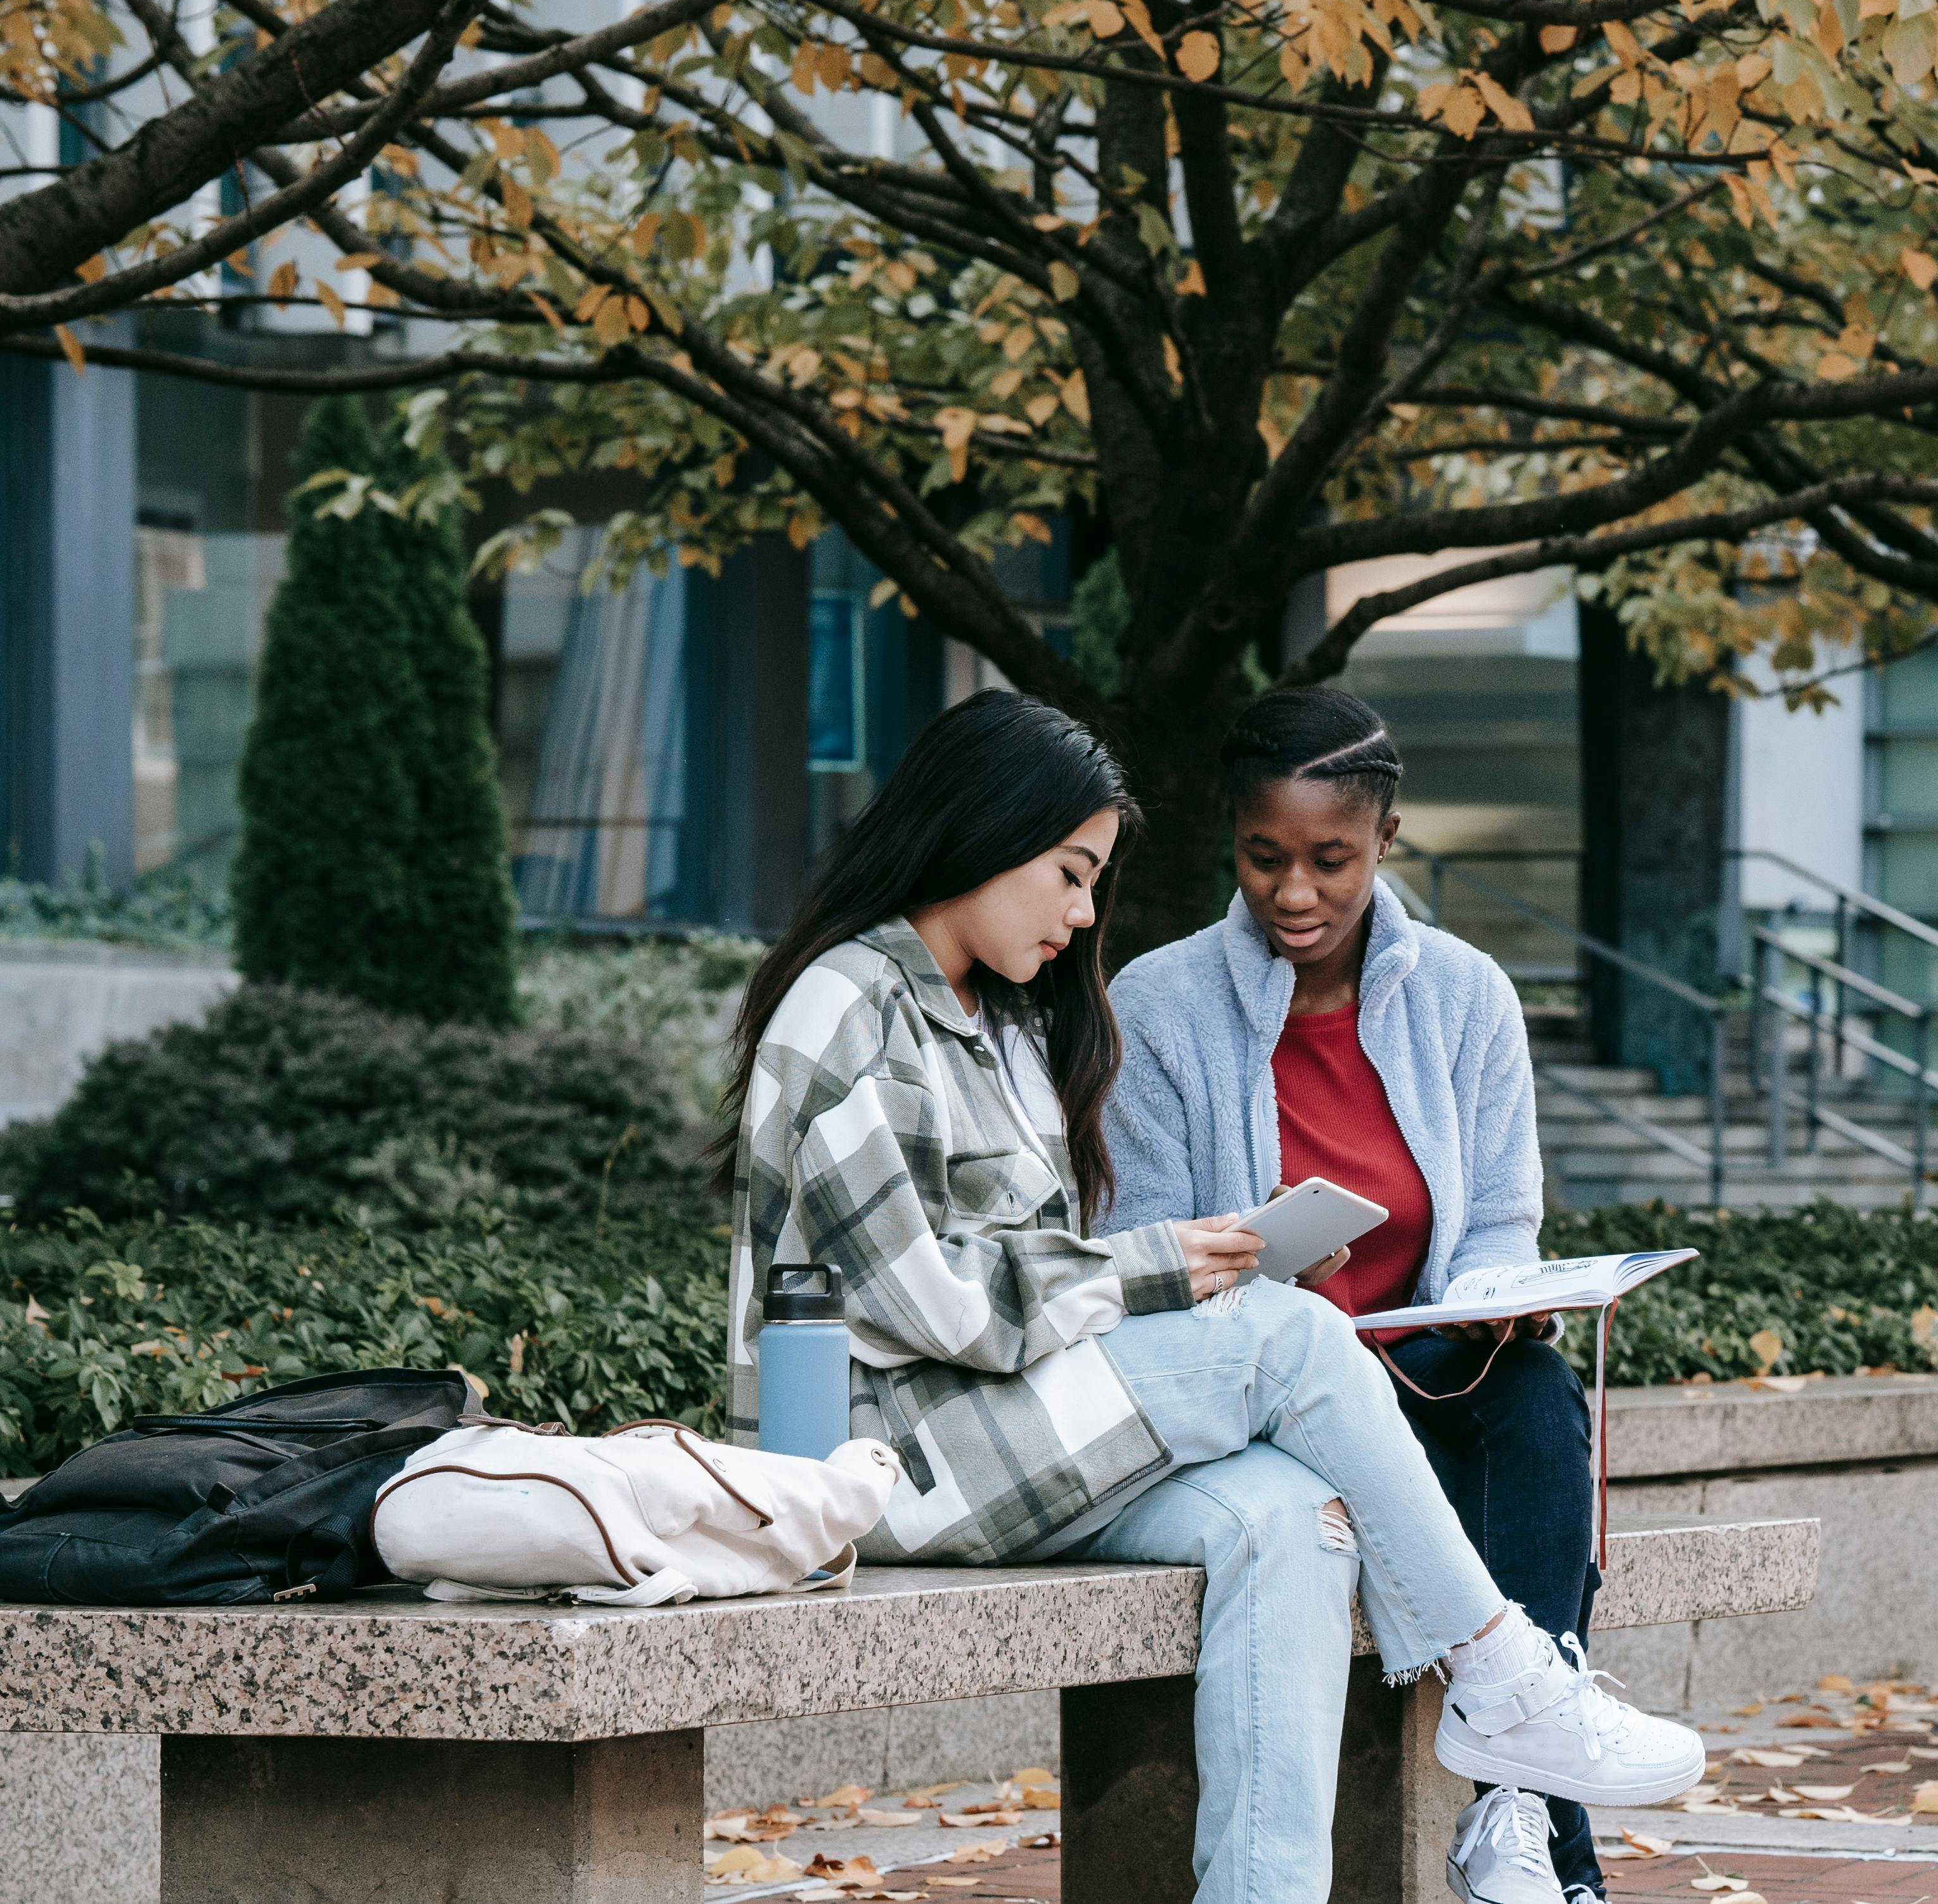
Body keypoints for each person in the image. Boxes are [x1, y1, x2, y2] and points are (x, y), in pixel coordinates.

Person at [718, 689, 1703, 1904]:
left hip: (1010, 1425)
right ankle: (1503, 1675)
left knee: (1296, 1520)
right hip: (886, 1455)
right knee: (1283, 1332)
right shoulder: (846, 1007)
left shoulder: (1005, 1019)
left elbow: (1034, 1268)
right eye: (1072, 876)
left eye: (1095, 882)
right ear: (981, 834)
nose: (1086, 915)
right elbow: (940, 1305)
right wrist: (1178, 1263)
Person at [1102, 686, 1617, 1904]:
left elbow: (1497, 1220)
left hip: (1428, 1380)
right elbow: (1131, 1255)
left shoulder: (1467, 996)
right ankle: (1563, 1856)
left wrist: (1499, 1297)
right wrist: (1264, 1267)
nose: (1295, 893)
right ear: (1231, 842)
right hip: (1267, 1416)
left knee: (1540, 1403)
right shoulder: (1160, 1008)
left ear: (1386, 839)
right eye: (1263, 857)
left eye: (1331, 859)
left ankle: (1520, 1826)